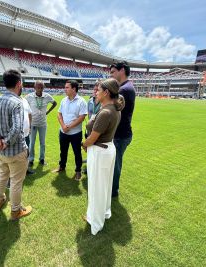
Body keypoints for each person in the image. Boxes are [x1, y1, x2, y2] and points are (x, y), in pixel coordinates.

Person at [0, 69, 32, 220]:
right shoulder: (17, 103)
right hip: (16, 150)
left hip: (1, 151)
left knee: (2, 176)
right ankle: (15, 210)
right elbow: (17, 128)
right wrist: (5, 142)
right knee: (16, 182)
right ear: (19, 84)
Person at [82, 78, 124, 235]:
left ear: (106, 92)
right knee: (103, 186)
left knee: (97, 187)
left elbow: (92, 138)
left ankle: (95, 221)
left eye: (98, 90)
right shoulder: (113, 108)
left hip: (100, 151)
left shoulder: (106, 112)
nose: (96, 92)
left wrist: (84, 144)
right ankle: (103, 213)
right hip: (106, 148)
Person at [109, 61, 136, 198]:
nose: (111, 75)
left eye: (113, 72)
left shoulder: (124, 90)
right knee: (114, 163)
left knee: (115, 165)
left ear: (122, 70)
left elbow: (111, 111)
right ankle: (112, 190)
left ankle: (112, 192)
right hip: (121, 133)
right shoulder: (126, 87)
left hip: (120, 135)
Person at [53, 80, 87, 181]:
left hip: (75, 133)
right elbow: (59, 114)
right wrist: (63, 126)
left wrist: (69, 127)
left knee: (77, 152)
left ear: (74, 89)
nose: (65, 89)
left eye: (67, 87)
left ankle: (78, 171)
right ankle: (62, 166)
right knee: (63, 151)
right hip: (63, 132)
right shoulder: (64, 100)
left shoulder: (81, 101)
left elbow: (82, 117)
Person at [25, 81, 57, 166]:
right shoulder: (29, 96)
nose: (40, 89)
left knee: (42, 142)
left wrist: (48, 111)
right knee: (32, 142)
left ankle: (42, 159)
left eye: (41, 87)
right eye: (38, 87)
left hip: (43, 123)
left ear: (43, 88)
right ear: (34, 88)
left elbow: (55, 103)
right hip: (33, 123)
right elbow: (24, 105)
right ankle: (31, 159)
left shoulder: (47, 96)